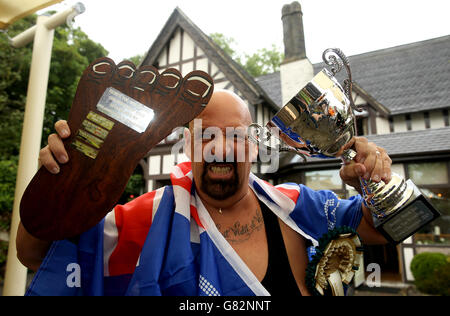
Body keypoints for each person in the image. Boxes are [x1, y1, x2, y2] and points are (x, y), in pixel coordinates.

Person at [16, 90, 389, 296]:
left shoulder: (295, 207)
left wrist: (373, 182)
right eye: (207, 135)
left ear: (254, 148)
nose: (221, 147)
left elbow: (380, 227)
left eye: (236, 135)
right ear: (189, 146)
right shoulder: (147, 217)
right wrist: (58, 185)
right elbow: (35, 253)